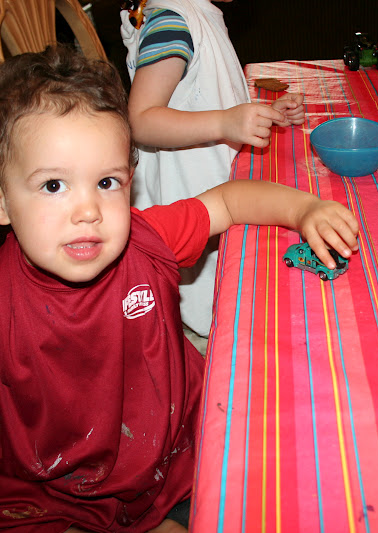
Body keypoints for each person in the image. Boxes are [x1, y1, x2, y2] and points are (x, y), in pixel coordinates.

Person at [0, 45, 357, 533]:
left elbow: (228, 201)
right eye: (54, 186)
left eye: (106, 183)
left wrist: (305, 209)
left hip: (177, 454)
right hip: (56, 486)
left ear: (129, 182)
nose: (88, 211)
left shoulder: (148, 241)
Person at [120, 0, 306, 345]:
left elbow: (201, 96)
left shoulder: (199, 14)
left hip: (214, 177)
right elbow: (140, 120)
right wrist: (224, 123)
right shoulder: (172, 23)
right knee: (212, 295)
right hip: (190, 188)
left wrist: (260, 114)